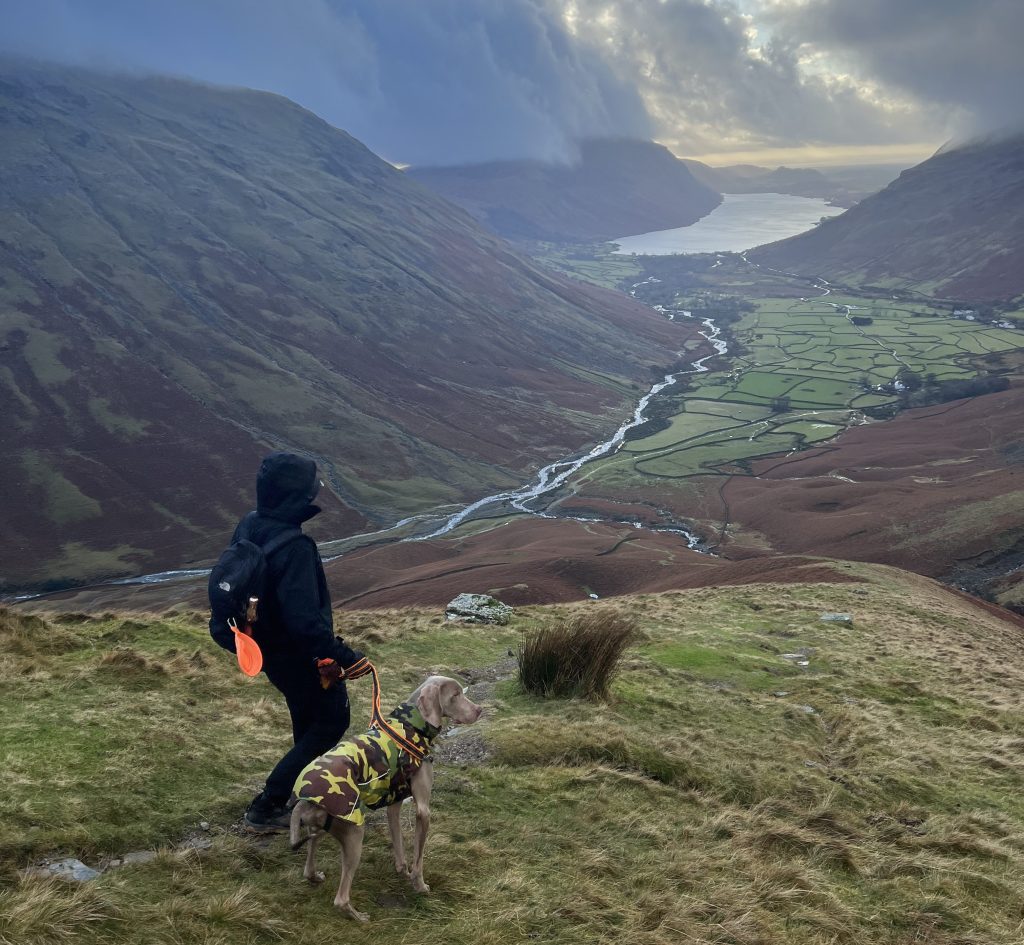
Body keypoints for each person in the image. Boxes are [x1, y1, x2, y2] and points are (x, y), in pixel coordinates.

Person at [233, 451, 365, 832]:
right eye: (313, 487)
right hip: (295, 652)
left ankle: (305, 793)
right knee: (331, 718)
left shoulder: (251, 524)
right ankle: (269, 804)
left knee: (307, 717)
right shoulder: (295, 546)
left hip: (266, 649)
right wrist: (345, 655)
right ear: (298, 496)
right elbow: (305, 622)